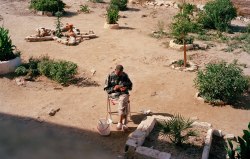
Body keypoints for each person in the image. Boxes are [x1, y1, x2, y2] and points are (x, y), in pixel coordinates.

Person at [104, 65, 133, 131]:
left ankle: (120, 122)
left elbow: (130, 85)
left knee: (122, 100)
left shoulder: (124, 75)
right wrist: (114, 88)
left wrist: (124, 87)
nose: (119, 74)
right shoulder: (110, 76)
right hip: (114, 94)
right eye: (118, 73)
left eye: (120, 73)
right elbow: (106, 89)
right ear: (115, 70)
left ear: (122, 72)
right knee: (123, 103)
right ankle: (124, 124)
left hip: (124, 94)